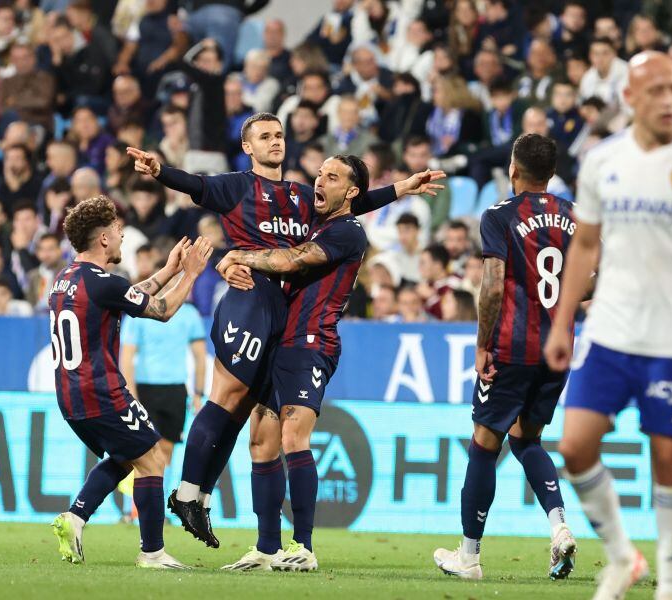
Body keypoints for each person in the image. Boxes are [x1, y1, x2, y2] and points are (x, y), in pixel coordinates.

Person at [127, 112, 445, 548]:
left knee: (247, 419)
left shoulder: (300, 195)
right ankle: (187, 493)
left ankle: (221, 514)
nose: (275, 142)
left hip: (281, 314)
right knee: (226, 396)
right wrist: (160, 170)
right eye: (264, 136)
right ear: (248, 147)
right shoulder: (236, 187)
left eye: (279, 134)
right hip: (247, 300)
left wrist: (402, 188)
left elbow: (347, 205)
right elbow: (194, 184)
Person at [543, 52, 672, 600]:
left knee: (668, 458)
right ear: (629, 97)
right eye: (654, 89)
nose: (667, 99)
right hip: (609, 331)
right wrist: (562, 323)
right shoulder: (602, 160)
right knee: (576, 446)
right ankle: (621, 557)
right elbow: (584, 246)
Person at [434, 133, 578, 581]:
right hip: (558, 349)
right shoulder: (574, 216)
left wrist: (482, 344)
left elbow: (493, 285)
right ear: (550, 174)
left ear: (513, 169)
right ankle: (559, 528)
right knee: (527, 440)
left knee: (484, 443)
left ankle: (470, 557)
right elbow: (590, 280)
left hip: (513, 348)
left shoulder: (499, 215)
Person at [216, 154, 370, 571]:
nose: (319, 179)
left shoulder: (348, 231)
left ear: (351, 192)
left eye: (331, 177)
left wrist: (237, 257)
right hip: (277, 342)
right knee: (260, 442)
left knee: (293, 436)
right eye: (319, 172)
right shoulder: (315, 222)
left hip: (311, 342)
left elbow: (290, 261)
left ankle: (303, 546)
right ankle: (266, 548)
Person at [49, 196, 212, 570]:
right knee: (152, 458)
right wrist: (191, 273)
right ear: (104, 238)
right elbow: (163, 310)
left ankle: (75, 517)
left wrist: (169, 271)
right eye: (119, 232)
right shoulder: (103, 282)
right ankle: (152, 552)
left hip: (71, 395)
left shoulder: (66, 280)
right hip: (100, 389)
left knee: (126, 456)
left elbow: (123, 295)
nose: (123, 238)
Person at [121, 278, 208, 492]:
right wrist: (130, 393)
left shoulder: (189, 314)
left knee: (167, 448)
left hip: (175, 389)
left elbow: (200, 356)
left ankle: (157, 503)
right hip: (144, 388)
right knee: (142, 449)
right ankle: (130, 509)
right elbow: (127, 356)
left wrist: (198, 393)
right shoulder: (139, 314)